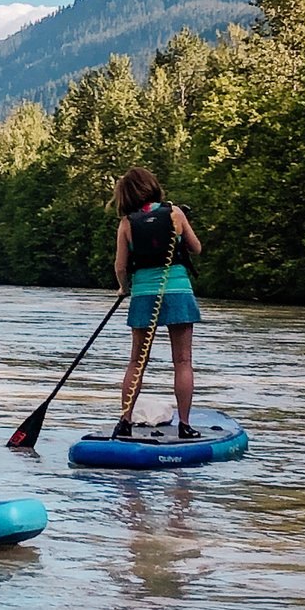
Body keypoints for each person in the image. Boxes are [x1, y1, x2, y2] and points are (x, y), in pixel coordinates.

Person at [111, 166, 202, 441]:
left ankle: (125, 421)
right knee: (183, 360)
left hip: (143, 295)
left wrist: (123, 289)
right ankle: (185, 425)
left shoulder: (127, 223)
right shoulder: (175, 213)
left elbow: (121, 266)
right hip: (178, 291)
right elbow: (196, 248)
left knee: (136, 361)